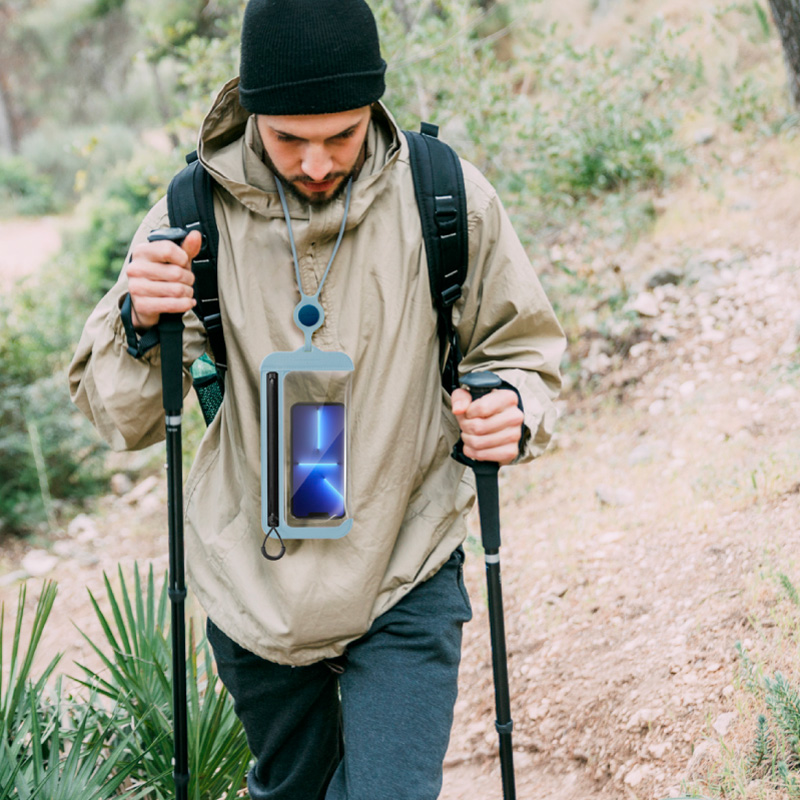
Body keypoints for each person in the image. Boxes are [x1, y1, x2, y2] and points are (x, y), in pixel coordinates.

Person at [69, 0, 565, 797]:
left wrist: (511, 403)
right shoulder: (190, 217)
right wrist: (139, 321)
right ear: (251, 111)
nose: (316, 162)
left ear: (375, 103)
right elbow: (117, 415)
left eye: (341, 134)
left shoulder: (444, 195)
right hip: (256, 589)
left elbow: (523, 351)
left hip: (406, 560)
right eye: (289, 139)